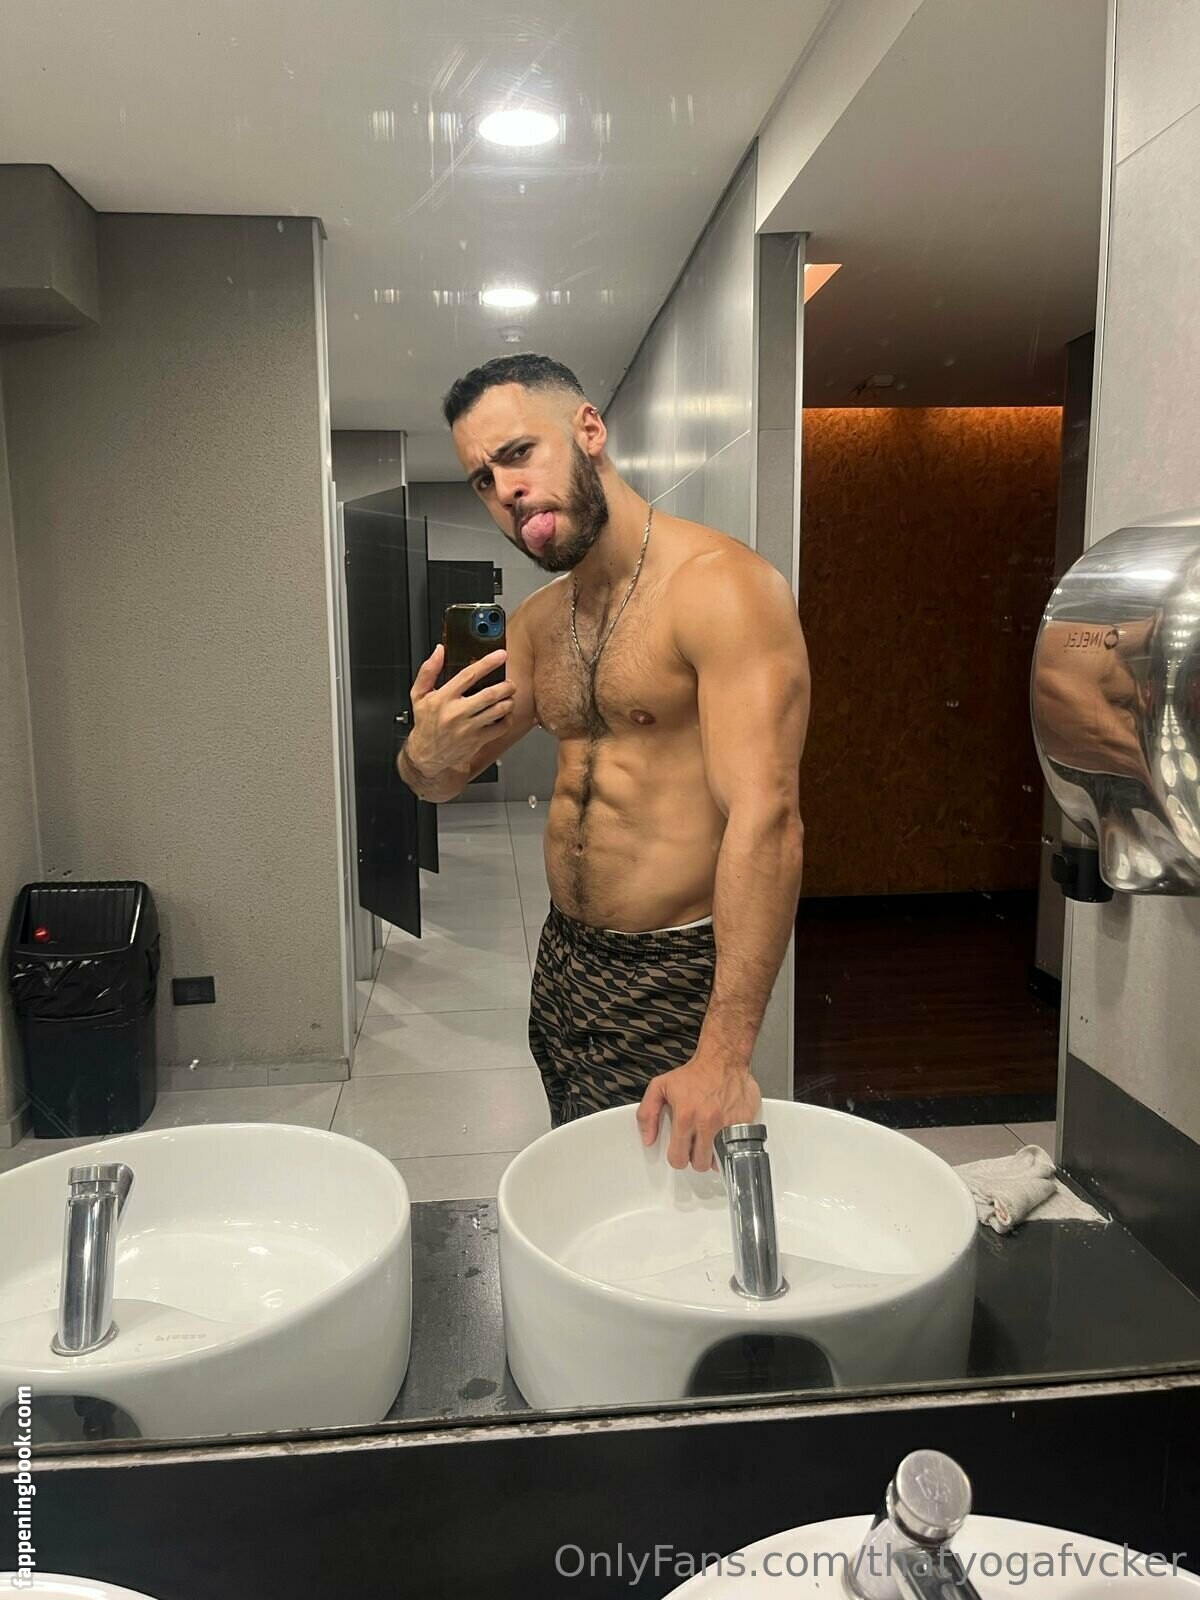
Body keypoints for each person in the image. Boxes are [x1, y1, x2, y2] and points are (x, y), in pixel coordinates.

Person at [397, 354, 810, 1174]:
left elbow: (767, 819)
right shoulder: (539, 623)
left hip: (674, 970)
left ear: (589, 430)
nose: (506, 492)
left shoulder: (722, 589)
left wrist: (723, 1055)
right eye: (483, 480)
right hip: (565, 960)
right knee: (583, 1172)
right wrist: (422, 752)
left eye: (519, 453)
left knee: (660, 1205)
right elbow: (440, 780)